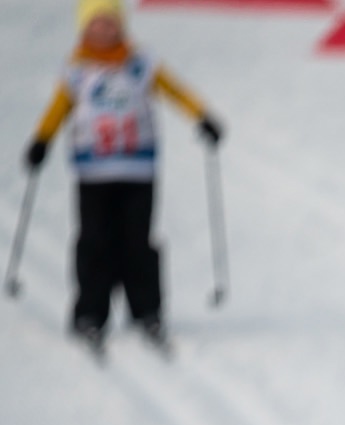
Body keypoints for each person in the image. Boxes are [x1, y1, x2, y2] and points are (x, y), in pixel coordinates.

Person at [22, 0, 223, 355]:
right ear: (83, 30)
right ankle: (90, 312)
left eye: (110, 24)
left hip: (138, 168)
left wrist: (202, 117)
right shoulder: (77, 71)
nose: (103, 31)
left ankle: (146, 311)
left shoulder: (141, 64)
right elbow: (58, 108)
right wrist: (42, 140)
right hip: (93, 170)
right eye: (95, 25)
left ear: (121, 26)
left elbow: (175, 90)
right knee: (95, 240)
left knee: (138, 241)